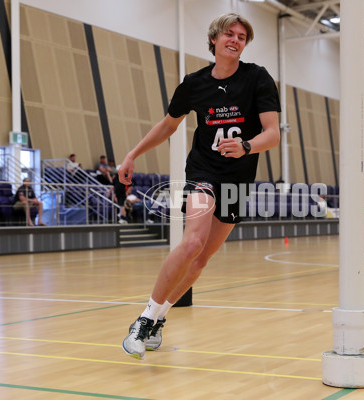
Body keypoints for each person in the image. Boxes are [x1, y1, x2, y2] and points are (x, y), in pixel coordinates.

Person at [118, 12, 280, 360]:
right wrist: (132, 154)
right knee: (192, 241)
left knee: (202, 259)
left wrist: (247, 146)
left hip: (237, 180)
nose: (235, 40)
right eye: (229, 34)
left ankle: (159, 319)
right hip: (203, 172)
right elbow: (167, 126)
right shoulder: (194, 83)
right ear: (214, 40)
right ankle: (144, 319)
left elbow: (273, 134)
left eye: (241, 36)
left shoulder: (258, 78)